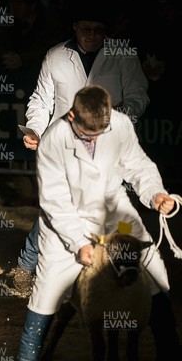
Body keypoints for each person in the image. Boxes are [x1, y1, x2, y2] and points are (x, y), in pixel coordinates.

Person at [17, 85, 179, 361]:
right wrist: (79, 243)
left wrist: (155, 194)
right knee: (48, 293)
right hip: (64, 222)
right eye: (86, 133)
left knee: (154, 273)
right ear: (71, 116)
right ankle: (28, 356)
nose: (93, 138)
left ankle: (171, 353)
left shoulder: (120, 124)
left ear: (110, 116)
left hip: (114, 212)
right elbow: (55, 200)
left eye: (99, 132)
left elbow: (137, 164)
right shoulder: (53, 140)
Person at [12, 0, 150, 296]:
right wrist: (35, 127)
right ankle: (26, 265)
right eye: (85, 29)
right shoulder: (56, 56)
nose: (92, 35)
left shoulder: (122, 54)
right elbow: (40, 100)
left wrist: (120, 117)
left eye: (99, 30)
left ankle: (120, 269)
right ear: (75, 27)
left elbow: (139, 95)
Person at [0, 0, 65, 72]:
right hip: (11, 74)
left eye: (19, 3)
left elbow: (53, 52)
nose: (14, 7)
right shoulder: (8, 23)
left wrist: (23, 59)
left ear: (32, 5)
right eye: (13, 3)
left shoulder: (51, 24)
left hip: (40, 74)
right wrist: (7, 57)